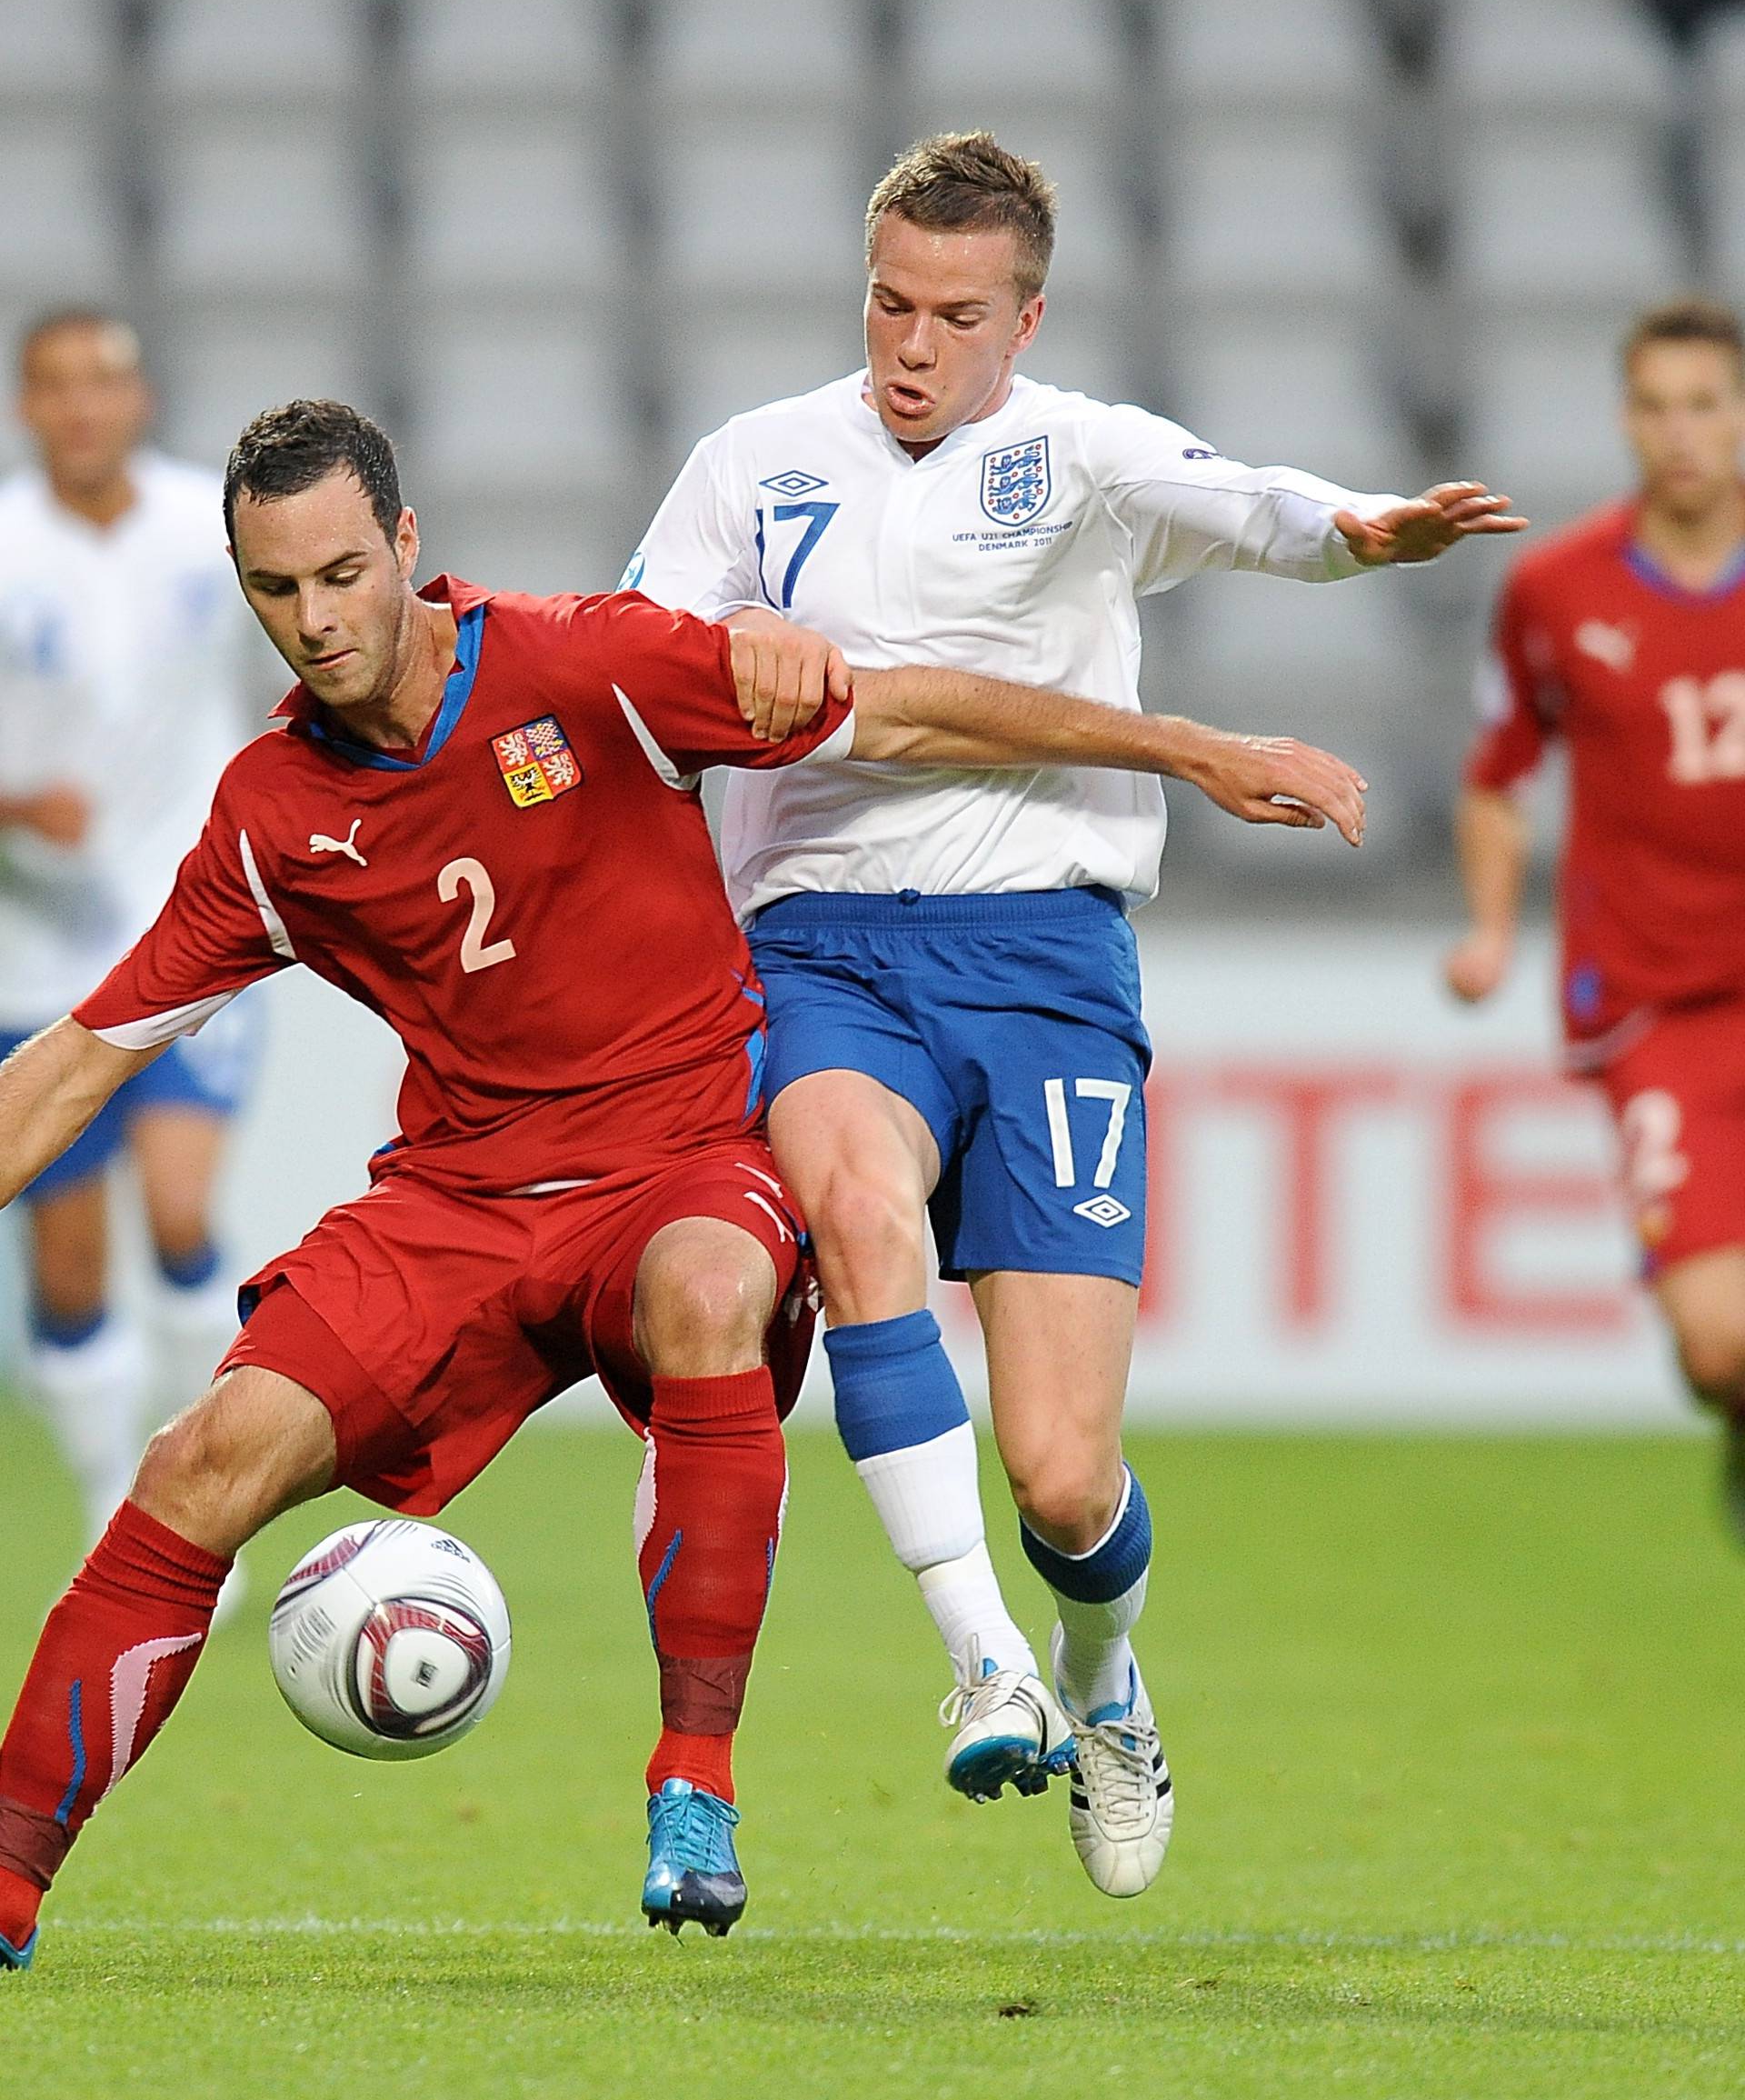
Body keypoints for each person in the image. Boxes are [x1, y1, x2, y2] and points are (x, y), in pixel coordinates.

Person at [0, 398, 1374, 1972]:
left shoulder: (584, 668)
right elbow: (78, 1059)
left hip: (685, 1157)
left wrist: (1184, 748)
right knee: (201, 1462)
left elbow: (907, 713)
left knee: (712, 1288)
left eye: (337, 574)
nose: (313, 621)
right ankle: (7, 1869)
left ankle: (697, 1785)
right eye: (273, 590)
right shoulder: (272, 816)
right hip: (461, 1197)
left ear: (405, 547)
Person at [628, 129, 1526, 1900]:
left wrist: (1362, 528)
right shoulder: (753, 464)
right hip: (820, 947)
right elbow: (647, 661)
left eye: (955, 313)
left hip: (1044, 962)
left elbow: (1256, 501)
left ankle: (1104, 1674)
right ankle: (985, 1656)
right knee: (860, 1215)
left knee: (1061, 1469)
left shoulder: (1082, 454)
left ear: (1024, 319)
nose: (910, 343)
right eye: (890, 300)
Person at [1446, 295, 1745, 1526]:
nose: (1681, 433)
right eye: (1657, 406)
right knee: (1718, 1347)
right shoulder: (1556, 592)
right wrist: (1490, 927)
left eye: (1706, 404)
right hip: (1654, 999)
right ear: (1627, 418)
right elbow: (1499, 779)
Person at [0, 310, 255, 1553]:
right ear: (27, 407)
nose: (85, 406)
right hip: (36, 949)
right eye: (59, 386)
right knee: (67, 1268)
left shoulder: (204, 532)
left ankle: (213, 1484)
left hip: (194, 923)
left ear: (138, 396)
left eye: (105, 380)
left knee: (180, 1206)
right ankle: (115, 1501)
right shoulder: (3, 547)